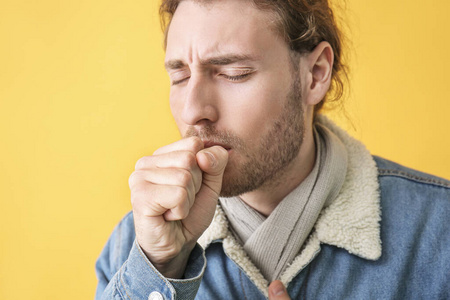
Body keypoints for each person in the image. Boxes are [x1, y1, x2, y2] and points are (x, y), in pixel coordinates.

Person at [95, 0, 450, 299]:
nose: (193, 111)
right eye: (180, 77)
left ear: (315, 74)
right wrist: (162, 265)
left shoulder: (439, 231)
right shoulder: (135, 246)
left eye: (234, 72)